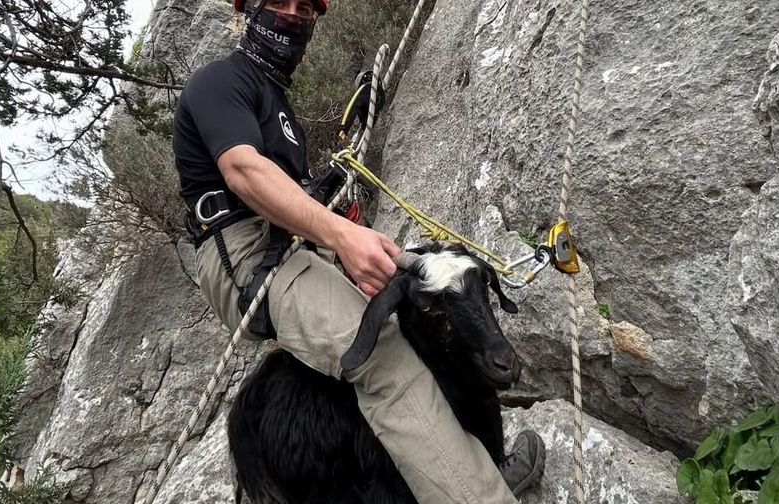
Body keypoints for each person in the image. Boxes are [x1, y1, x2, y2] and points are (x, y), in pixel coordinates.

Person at [172, 0, 545, 501]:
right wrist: (342, 237)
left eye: (304, 8)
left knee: (416, 310)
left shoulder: (274, 102)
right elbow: (243, 171)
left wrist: (334, 210)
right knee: (382, 356)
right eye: (278, 2)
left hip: (286, 250)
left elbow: (287, 196)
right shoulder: (220, 81)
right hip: (244, 257)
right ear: (248, 10)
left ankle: (468, 466)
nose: (292, 15)